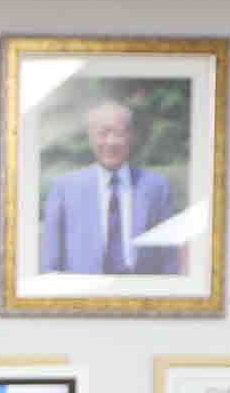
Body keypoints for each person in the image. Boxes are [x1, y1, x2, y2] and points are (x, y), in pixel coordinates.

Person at [37, 97, 182, 277]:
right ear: (91, 137)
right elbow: (50, 264)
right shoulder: (64, 189)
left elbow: (169, 260)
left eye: (119, 134)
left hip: (142, 297)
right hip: (82, 298)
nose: (111, 142)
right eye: (103, 133)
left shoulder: (156, 188)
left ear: (130, 137)